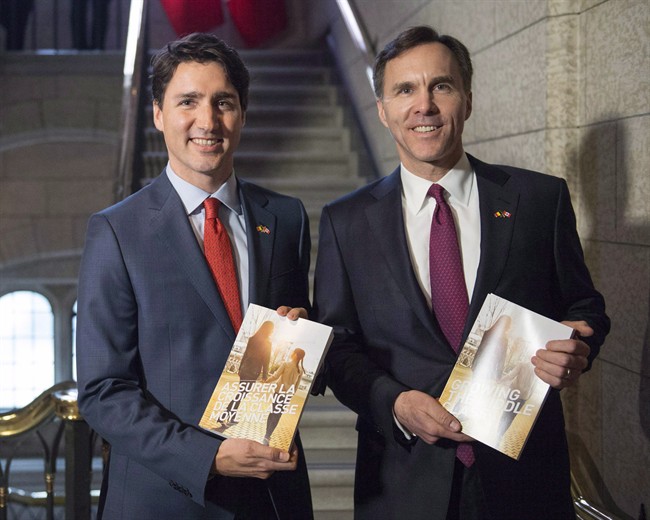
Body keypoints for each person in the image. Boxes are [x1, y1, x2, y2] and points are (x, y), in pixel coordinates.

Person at [313, 25, 610, 520]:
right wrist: (395, 402)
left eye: (441, 86)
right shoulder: (346, 221)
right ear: (383, 110)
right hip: (402, 486)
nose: (423, 105)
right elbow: (338, 345)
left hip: (525, 479)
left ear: (467, 100)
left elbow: (584, 308)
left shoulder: (539, 200)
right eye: (404, 89)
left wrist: (581, 343)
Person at [76, 32, 313, 519]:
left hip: (271, 497)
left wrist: (304, 340)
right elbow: (103, 392)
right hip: (161, 497)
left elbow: (295, 345)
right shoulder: (116, 231)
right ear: (159, 114)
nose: (207, 121)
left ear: (242, 114)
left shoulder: (286, 218)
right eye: (188, 101)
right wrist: (207, 458)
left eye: (223, 102)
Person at [219, 320, 274, 428]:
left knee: (240, 394)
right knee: (240, 395)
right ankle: (223, 416)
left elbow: (245, 354)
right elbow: (265, 361)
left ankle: (231, 417)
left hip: (244, 370)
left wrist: (240, 368)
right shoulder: (267, 343)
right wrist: (264, 376)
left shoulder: (252, 339)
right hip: (253, 373)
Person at [262, 348, 306, 446]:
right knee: (278, 415)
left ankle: (267, 434)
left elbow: (275, 376)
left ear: (295, 355)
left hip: (278, 392)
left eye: (293, 352)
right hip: (287, 396)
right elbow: (296, 386)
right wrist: (290, 394)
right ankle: (268, 435)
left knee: (273, 412)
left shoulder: (285, 364)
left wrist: (266, 381)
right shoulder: (300, 370)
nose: (291, 353)